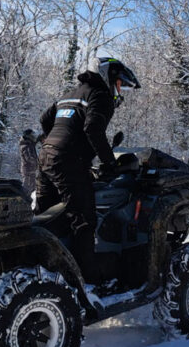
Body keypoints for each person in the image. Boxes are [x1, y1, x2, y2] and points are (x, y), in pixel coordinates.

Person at [34, 56, 141, 282]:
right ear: (108, 76)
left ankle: (43, 272)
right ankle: (86, 280)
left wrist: (52, 141)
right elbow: (93, 128)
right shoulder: (100, 95)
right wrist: (109, 163)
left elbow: (45, 119)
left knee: (47, 218)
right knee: (83, 220)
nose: (120, 89)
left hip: (45, 158)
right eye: (120, 83)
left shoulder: (70, 94)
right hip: (68, 161)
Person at [18, 129, 39, 196]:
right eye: (32, 135)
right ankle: (21, 200)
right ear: (28, 136)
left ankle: (29, 202)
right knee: (27, 187)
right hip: (28, 170)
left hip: (31, 169)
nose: (33, 136)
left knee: (32, 187)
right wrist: (38, 163)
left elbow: (34, 143)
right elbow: (29, 158)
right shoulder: (25, 146)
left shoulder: (28, 144)